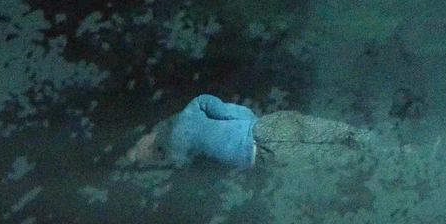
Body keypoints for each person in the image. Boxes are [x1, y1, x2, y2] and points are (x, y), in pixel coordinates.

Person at [124, 94, 376, 170]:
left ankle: (375, 156)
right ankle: (367, 140)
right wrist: (247, 120)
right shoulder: (193, 108)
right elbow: (217, 105)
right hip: (262, 127)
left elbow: (185, 163)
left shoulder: (177, 155)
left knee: (325, 157)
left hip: (261, 156)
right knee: (324, 130)